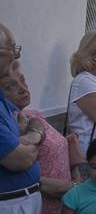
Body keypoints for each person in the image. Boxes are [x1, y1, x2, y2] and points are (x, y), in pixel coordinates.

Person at [0, 71, 81, 214]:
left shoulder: (34, 116)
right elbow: (23, 164)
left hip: (62, 199)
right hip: (35, 201)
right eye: (11, 86)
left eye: (23, 80)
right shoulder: (10, 128)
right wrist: (73, 187)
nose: (23, 89)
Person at [0, 22, 41, 214]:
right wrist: (35, 137)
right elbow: (20, 159)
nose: (16, 56)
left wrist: (27, 137)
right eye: (12, 49)